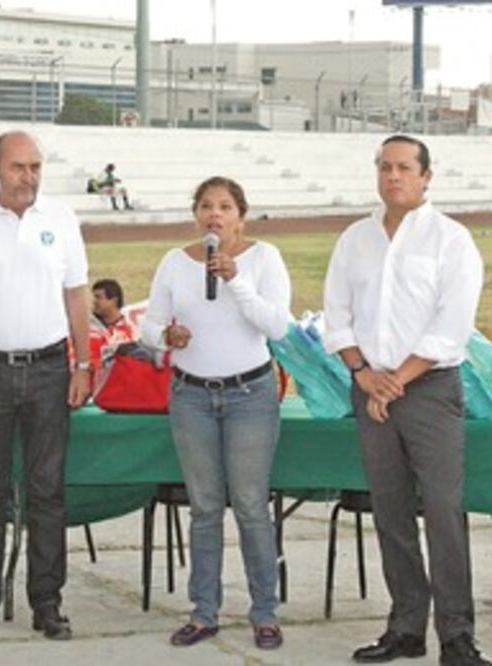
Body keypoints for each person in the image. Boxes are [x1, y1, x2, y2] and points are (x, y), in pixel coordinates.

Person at [323, 135, 491, 666]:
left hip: (429, 391)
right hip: (369, 388)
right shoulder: (355, 239)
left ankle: (457, 636)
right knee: (391, 511)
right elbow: (337, 317)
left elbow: (452, 324)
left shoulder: (451, 240)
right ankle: (405, 628)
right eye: (384, 167)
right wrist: (364, 374)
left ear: (426, 176)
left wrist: (395, 380)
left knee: (442, 510)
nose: (392, 176)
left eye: (403, 168)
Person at [0, 131, 92, 642]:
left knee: (47, 491)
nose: (28, 177)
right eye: (18, 167)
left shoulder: (62, 220)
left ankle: (47, 602)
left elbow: (76, 297)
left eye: (35, 166)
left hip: (50, 370)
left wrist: (84, 362)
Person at [141, 176, 291, 651]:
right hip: (191, 396)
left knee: (250, 506)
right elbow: (149, 324)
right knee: (204, 508)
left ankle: (264, 613)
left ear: (240, 216)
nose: (215, 214)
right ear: (196, 214)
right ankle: (203, 611)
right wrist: (165, 336)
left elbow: (277, 326)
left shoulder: (263, 259)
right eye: (206, 206)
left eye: (225, 206)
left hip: (250, 394)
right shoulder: (174, 262)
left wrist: (236, 280)